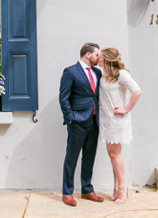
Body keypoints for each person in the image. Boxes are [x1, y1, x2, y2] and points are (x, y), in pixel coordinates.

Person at [59, 42, 105, 207]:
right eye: (97, 55)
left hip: (94, 121)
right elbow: (63, 97)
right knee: (72, 157)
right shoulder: (70, 72)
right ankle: (67, 192)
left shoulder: (97, 73)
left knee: (89, 156)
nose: (98, 58)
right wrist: (70, 117)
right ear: (88, 54)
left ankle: (87, 189)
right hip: (78, 121)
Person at [98, 47, 141, 204]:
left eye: (101, 57)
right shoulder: (105, 75)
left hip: (117, 121)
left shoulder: (122, 74)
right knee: (111, 154)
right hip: (107, 120)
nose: (98, 59)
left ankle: (123, 188)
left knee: (115, 154)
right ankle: (116, 187)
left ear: (107, 59)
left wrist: (126, 108)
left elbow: (137, 91)